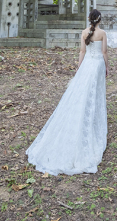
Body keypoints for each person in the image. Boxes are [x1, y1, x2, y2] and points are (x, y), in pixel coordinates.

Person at [26, 9, 109, 175]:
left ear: (89, 19)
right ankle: (92, 120)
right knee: (95, 94)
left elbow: (82, 52)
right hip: (97, 64)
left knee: (84, 92)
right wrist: (107, 67)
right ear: (99, 20)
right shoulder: (102, 33)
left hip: (87, 65)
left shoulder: (85, 32)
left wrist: (79, 67)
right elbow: (104, 52)